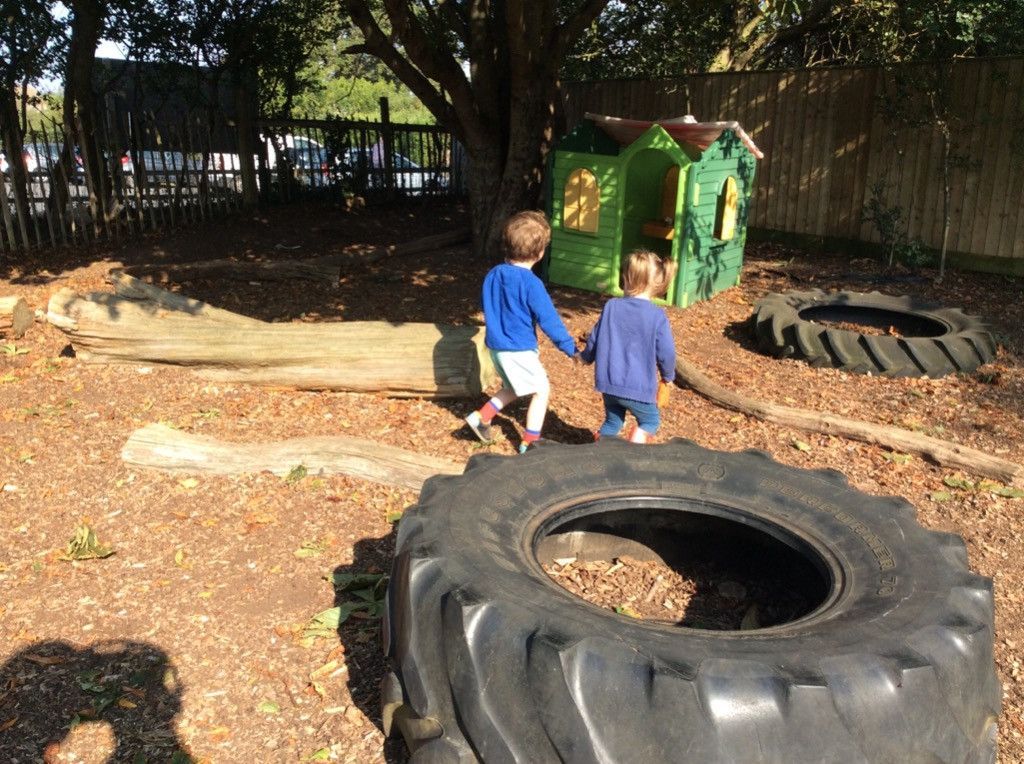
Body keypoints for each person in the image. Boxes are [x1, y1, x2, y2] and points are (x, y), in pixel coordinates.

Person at [464, 211, 578, 453]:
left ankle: (481, 417)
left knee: (514, 387)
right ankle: (531, 442)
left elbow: (485, 304)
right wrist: (569, 347)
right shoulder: (531, 283)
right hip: (518, 349)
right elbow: (549, 320)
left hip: (496, 347)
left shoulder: (493, 274)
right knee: (541, 389)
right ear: (540, 253)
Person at [580, 250, 677, 443]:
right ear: (656, 283)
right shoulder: (656, 315)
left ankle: (598, 453)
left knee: (613, 421)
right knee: (650, 421)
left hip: (608, 384)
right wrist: (668, 377)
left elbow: (595, 338)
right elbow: (667, 352)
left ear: (627, 278)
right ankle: (634, 446)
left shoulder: (611, 306)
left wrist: (586, 357)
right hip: (638, 386)